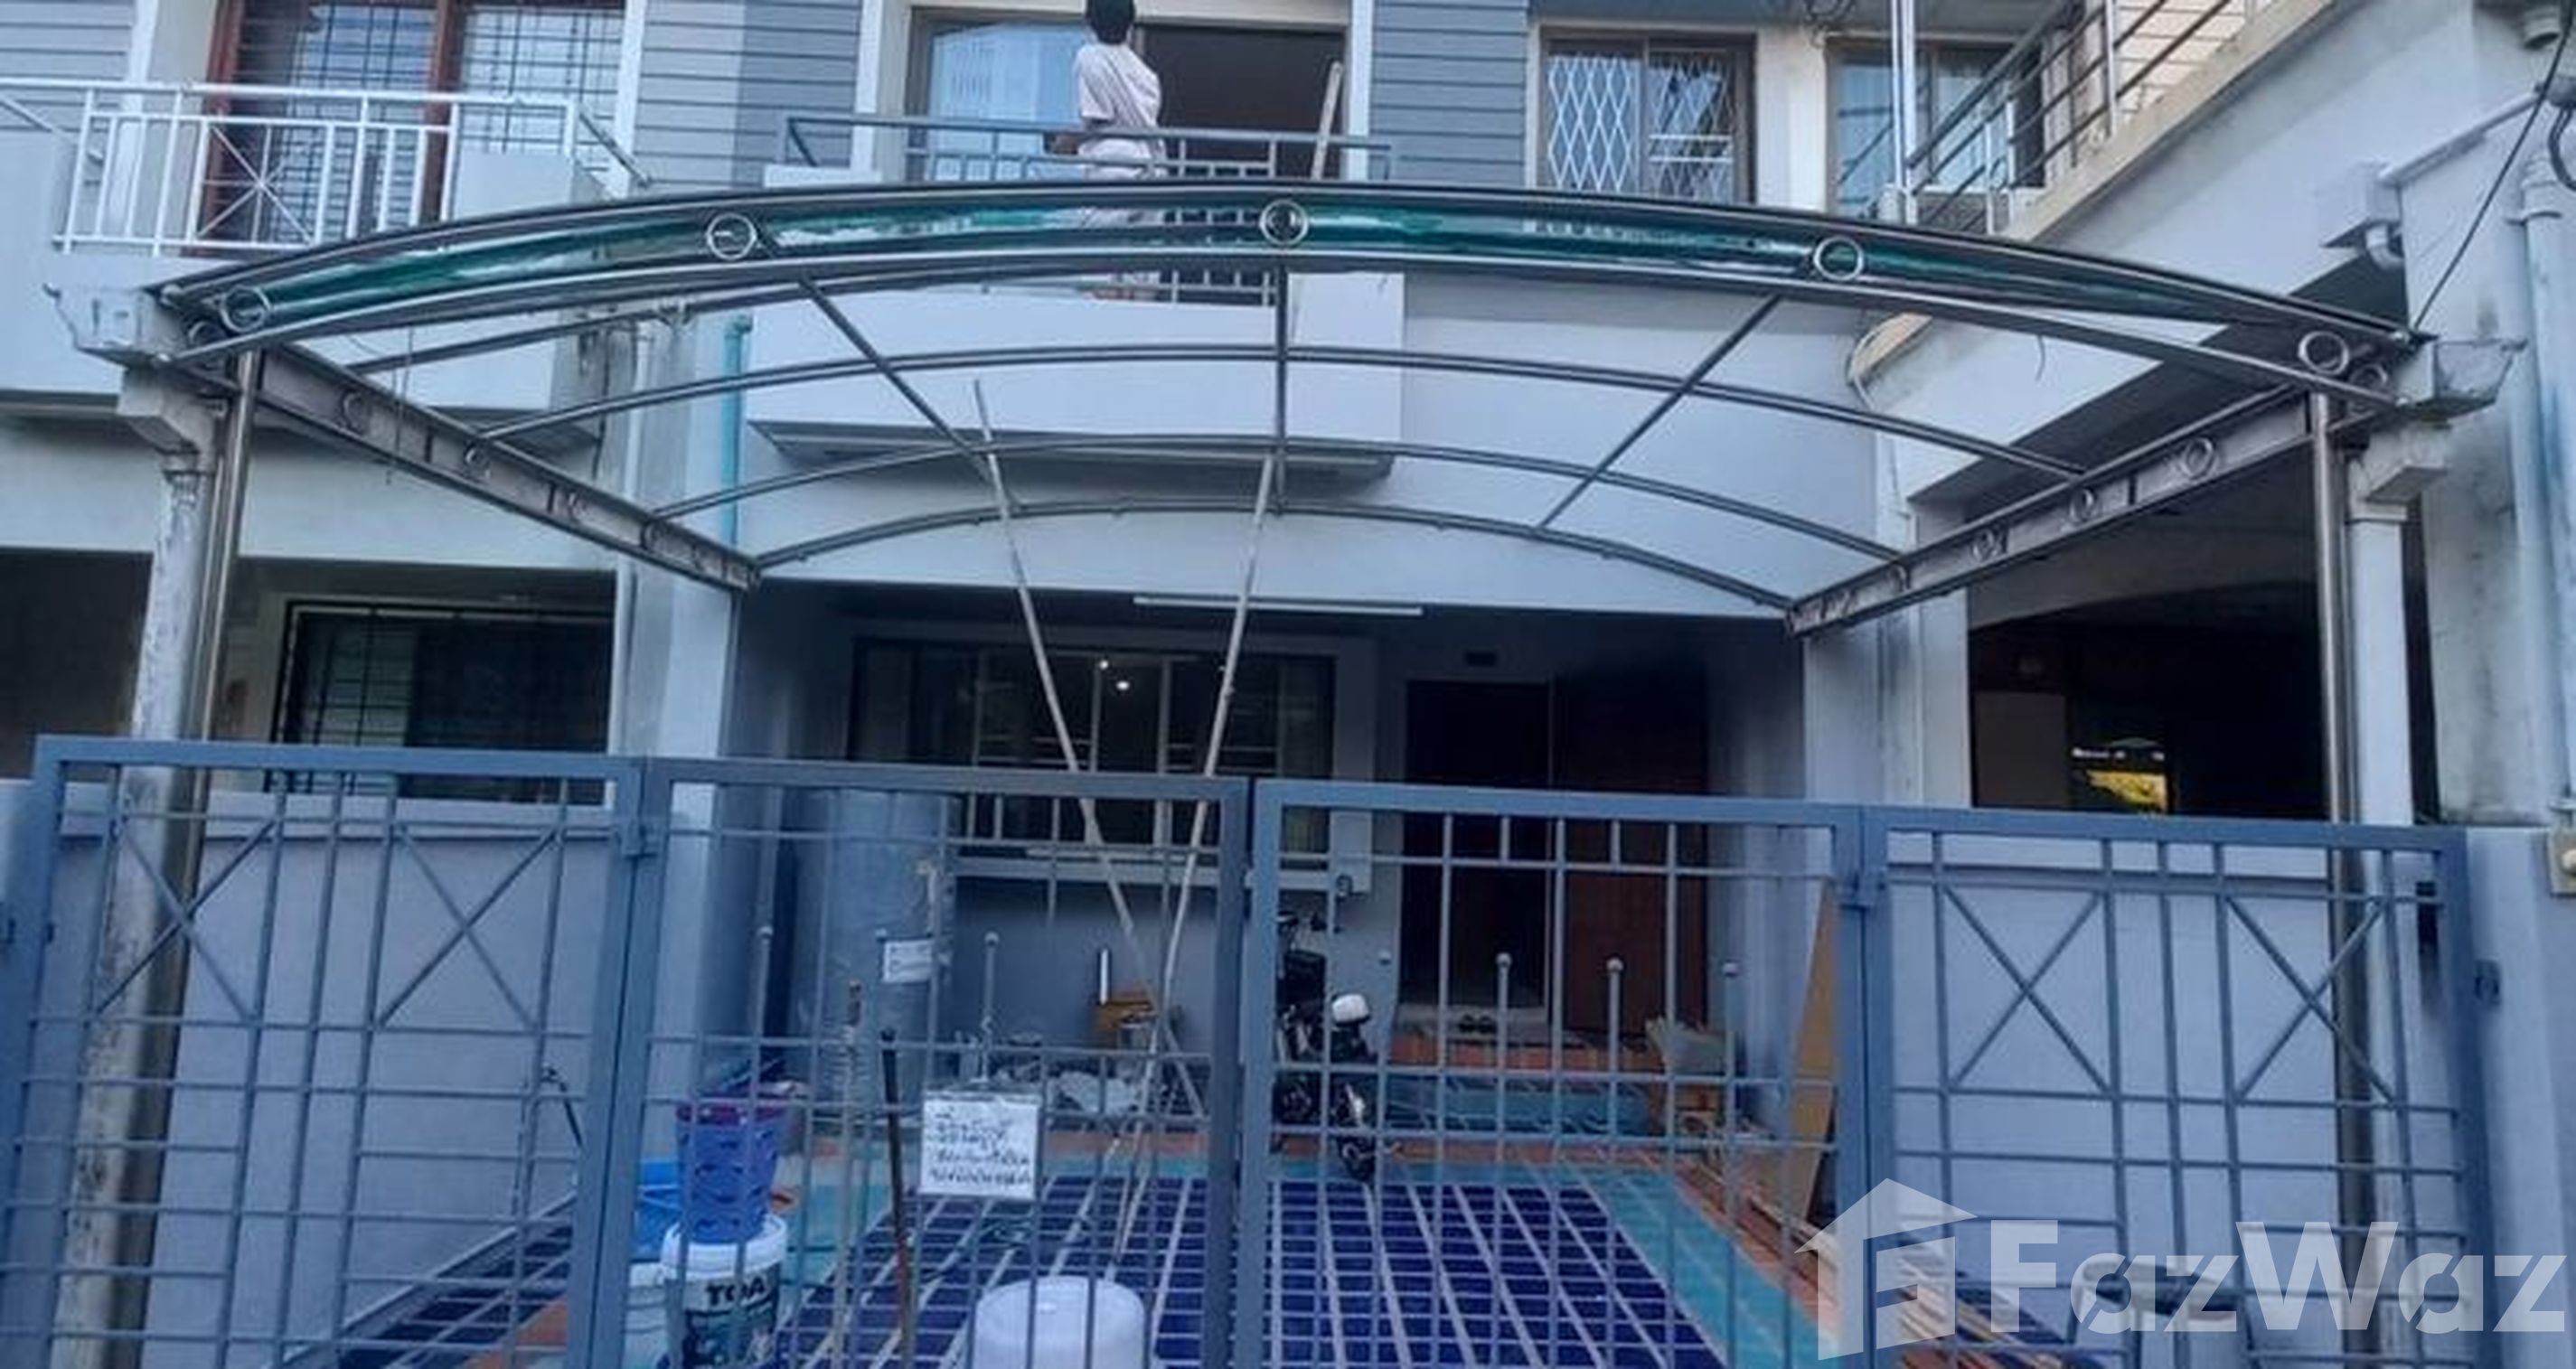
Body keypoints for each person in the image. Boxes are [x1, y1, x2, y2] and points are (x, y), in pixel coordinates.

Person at [1065, 0, 1161, 295]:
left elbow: (1097, 117)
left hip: (1112, 163)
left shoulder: (1090, 57)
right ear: (1130, 23)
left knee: (1097, 256)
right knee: (1139, 258)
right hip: (1150, 163)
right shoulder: (1145, 72)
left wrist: (1063, 144)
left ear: (1089, 21)